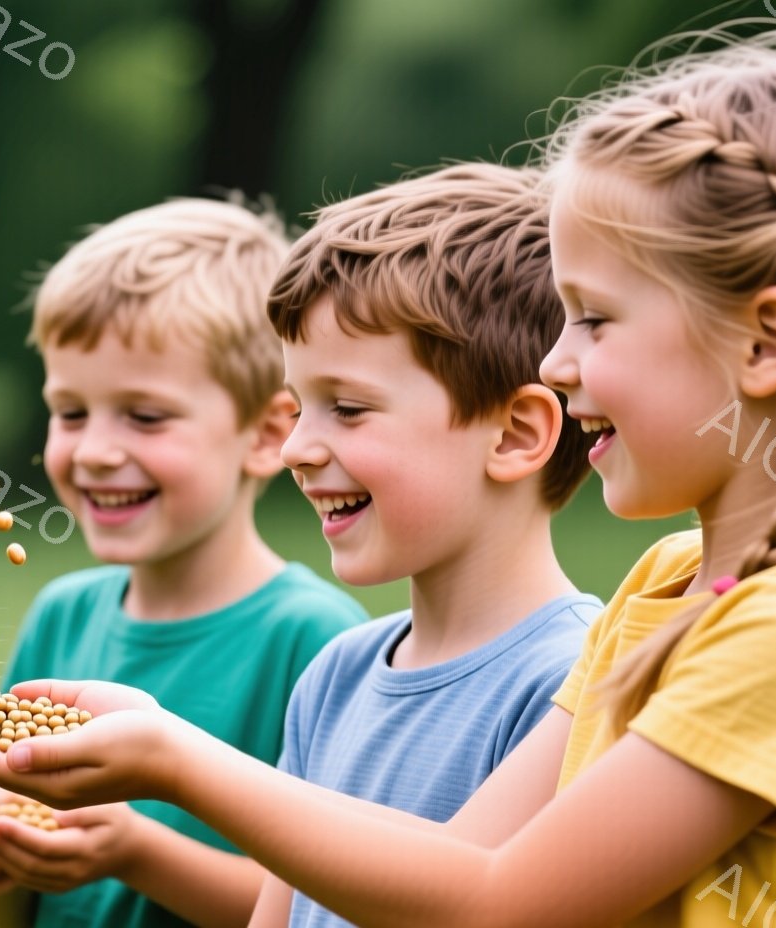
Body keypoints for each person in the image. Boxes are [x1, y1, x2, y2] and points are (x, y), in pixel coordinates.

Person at [0, 29, 776, 928]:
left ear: (766, 342)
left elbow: (494, 903)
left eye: (595, 320)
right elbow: (455, 862)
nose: (559, 362)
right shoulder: (662, 585)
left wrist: (174, 763)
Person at [0, 196, 368, 928]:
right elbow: (8, 909)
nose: (95, 450)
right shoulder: (63, 615)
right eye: (71, 412)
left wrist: (135, 853)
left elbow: (333, 900)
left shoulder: (315, 639)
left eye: (145, 416)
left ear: (268, 433)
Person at [253, 162, 600, 927]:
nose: (297, 449)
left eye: (345, 408)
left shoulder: (575, 686)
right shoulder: (335, 675)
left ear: (513, 434)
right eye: (297, 408)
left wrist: (174, 764)